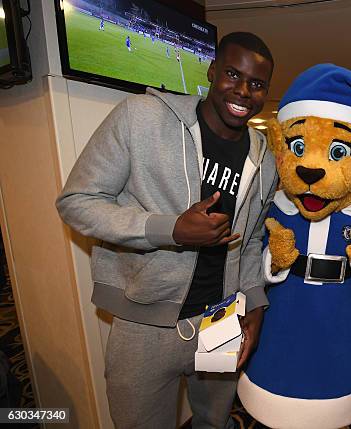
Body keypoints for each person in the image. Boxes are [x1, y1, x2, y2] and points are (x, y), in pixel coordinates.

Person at [56, 32, 277, 429]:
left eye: (257, 84)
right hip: (144, 323)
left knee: (214, 421)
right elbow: (77, 201)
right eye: (232, 74)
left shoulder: (266, 159)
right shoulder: (141, 117)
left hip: (221, 318)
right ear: (211, 71)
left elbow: (251, 238)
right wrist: (170, 229)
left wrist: (256, 302)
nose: (243, 91)